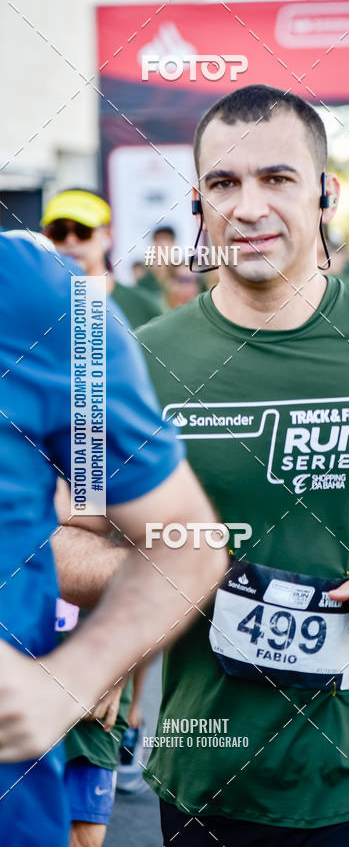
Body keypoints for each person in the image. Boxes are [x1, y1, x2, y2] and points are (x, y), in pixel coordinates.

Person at [64, 84, 349, 846]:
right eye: (224, 183)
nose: (248, 207)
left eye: (277, 178)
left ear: (325, 194)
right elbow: (66, 535)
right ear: (198, 203)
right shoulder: (134, 366)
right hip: (203, 773)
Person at [0, 230, 226, 847]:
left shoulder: (46, 301)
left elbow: (152, 534)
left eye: (83, 237)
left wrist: (91, 670)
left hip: (49, 666)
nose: (74, 246)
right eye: (64, 235)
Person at [42, 189, 163, 329]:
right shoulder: (32, 306)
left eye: (83, 231)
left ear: (107, 236)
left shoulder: (143, 307)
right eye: (59, 232)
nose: (70, 240)